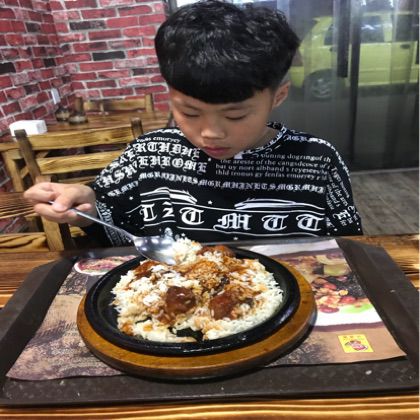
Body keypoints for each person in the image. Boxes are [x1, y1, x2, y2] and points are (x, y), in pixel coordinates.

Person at [24, 0, 362, 247]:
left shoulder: (316, 160)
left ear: (278, 96)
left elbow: (349, 249)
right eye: (189, 112)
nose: (210, 133)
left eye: (235, 115)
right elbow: (110, 218)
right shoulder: (149, 155)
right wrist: (85, 205)